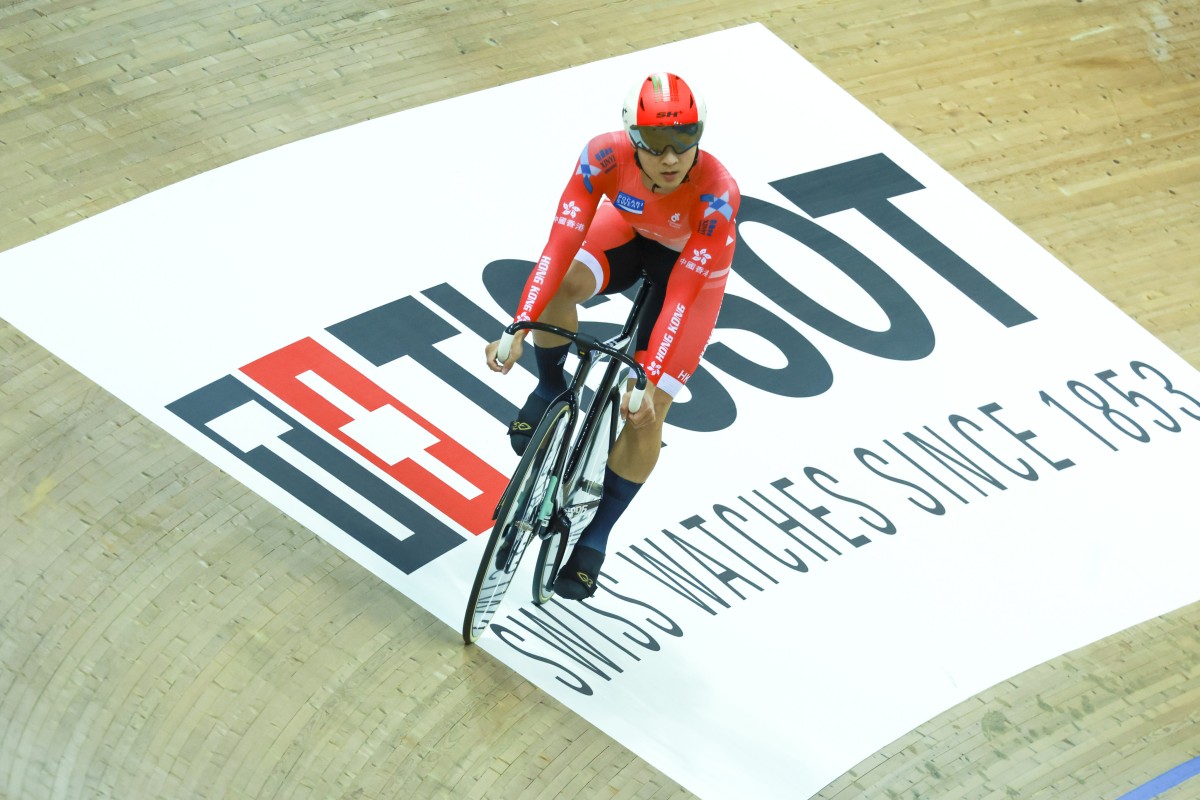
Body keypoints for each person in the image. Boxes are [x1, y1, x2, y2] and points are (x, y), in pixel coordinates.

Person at [485, 71, 740, 600]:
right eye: (655, 143)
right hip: (630, 232)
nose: (671, 158)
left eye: (685, 140)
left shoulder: (718, 193)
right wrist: (519, 324)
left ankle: (595, 539)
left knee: (649, 409)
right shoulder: (602, 157)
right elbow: (558, 245)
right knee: (559, 285)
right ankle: (550, 387)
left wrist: (648, 378)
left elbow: (680, 295)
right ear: (631, 137)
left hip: (691, 274)